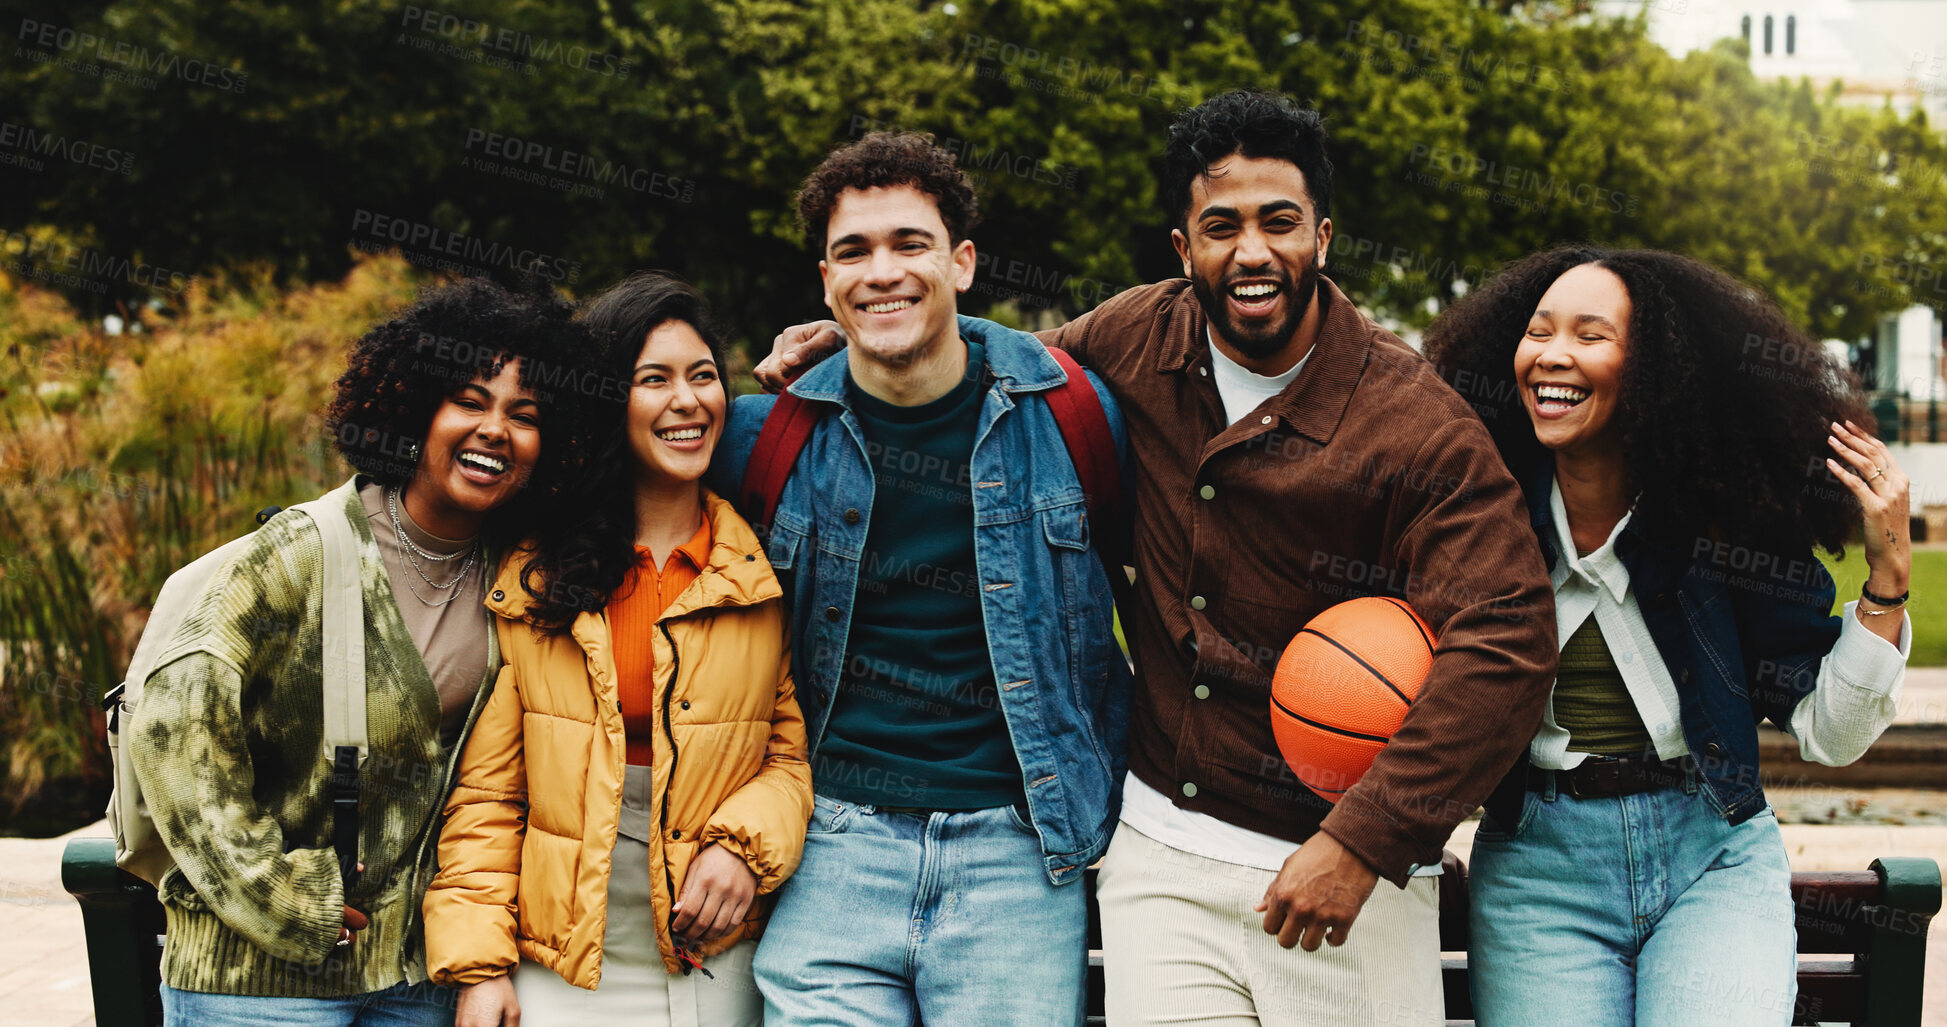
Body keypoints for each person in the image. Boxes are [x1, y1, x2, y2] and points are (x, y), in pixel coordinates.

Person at [758, 90, 1559, 1027]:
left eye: (1278, 223)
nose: (1251, 251)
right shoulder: (1130, 340)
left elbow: (1504, 633)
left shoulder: (1414, 423)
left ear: (1323, 238)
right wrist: (855, 338)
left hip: (1341, 870)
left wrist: (1368, 837)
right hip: (1160, 857)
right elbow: (982, 370)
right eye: (1220, 226)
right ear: (1184, 250)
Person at [1421, 246, 1911, 1025]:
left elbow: (1832, 733)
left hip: (1709, 854)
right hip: (1537, 869)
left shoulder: (1723, 527)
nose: (1552, 355)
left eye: (1589, 335)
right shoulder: (1474, 517)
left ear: (1654, 371)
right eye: (1538, 331)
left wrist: (1886, 584)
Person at [706, 131, 1131, 1026]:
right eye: (852, 251)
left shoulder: (1076, 419)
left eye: (909, 244)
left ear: (961, 262)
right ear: (824, 280)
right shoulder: (763, 439)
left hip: (1018, 853)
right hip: (832, 845)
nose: (881, 271)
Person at [131, 278, 604, 1025]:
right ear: (413, 410)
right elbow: (174, 738)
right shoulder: (292, 558)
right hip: (258, 979)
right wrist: (290, 899)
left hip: (418, 974)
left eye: (526, 415)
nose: (496, 430)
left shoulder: (523, 574)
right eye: (470, 401)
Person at [422, 271, 811, 1027]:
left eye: (703, 376)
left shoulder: (758, 573)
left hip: (714, 951)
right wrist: (480, 965)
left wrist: (742, 847)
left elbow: (790, 759)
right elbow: (491, 796)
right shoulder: (538, 577)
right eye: (653, 380)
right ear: (609, 401)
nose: (687, 401)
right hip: (561, 961)